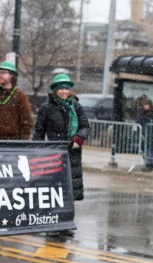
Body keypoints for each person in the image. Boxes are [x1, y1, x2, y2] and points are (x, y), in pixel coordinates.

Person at [33, 73, 90, 237]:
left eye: (66, 88)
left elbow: (85, 126)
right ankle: (52, 223)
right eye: (61, 88)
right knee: (53, 190)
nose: (64, 91)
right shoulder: (46, 108)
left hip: (72, 154)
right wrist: (36, 151)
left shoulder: (76, 106)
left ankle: (65, 223)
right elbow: (39, 131)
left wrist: (79, 137)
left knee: (68, 190)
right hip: (54, 154)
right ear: (55, 90)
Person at [0, 61, 33, 140]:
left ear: (11, 75)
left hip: (13, 142)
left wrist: (23, 142)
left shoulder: (21, 96)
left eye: (3, 73)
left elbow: (26, 122)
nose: (0, 75)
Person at [136, 99, 153, 172]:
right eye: (144, 104)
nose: (145, 106)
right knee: (144, 149)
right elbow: (137, 121)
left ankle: (149, 164)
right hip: (143, 134)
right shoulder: (141, 113)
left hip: (151, 134)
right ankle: (148, 163)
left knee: (149, 149)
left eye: (147, 105)